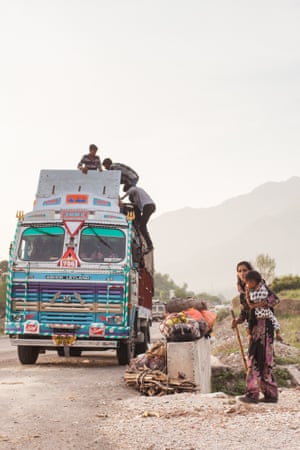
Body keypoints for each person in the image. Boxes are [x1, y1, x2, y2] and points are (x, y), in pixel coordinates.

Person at [232, 260, 280, 404]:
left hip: (265, 326)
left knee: (262, 359)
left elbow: (274, 300)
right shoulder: (243, 292)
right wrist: (237, 321)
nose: (242, 273)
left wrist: (260, 304)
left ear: (250, 272)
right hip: (254, 329)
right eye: (239, 271)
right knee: (256, 359)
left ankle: (254, 395)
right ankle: (269, 395)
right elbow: (244, 313)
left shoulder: (260, 286)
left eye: (245, 270)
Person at [245, 270, 282, 342]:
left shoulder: (264, 289)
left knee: (274, 322)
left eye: (248, 282)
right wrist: (252, 303)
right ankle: (249, 335)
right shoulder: (249, 290)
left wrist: (264, 303)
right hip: (255, 317)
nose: (247, 284)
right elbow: (249, 304)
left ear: (253, 281)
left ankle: (278, 334)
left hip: (266, 317)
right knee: (249, 323)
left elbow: (276, 300)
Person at [121, 185, 155, 254]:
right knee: (141, 226)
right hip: (149, 207)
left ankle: (150, 245)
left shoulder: (135, 189)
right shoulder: (138, 196)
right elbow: (135, 205)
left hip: (148, 206)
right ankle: (145, 238)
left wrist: (121, 198)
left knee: (142, 226)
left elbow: (132, 190)